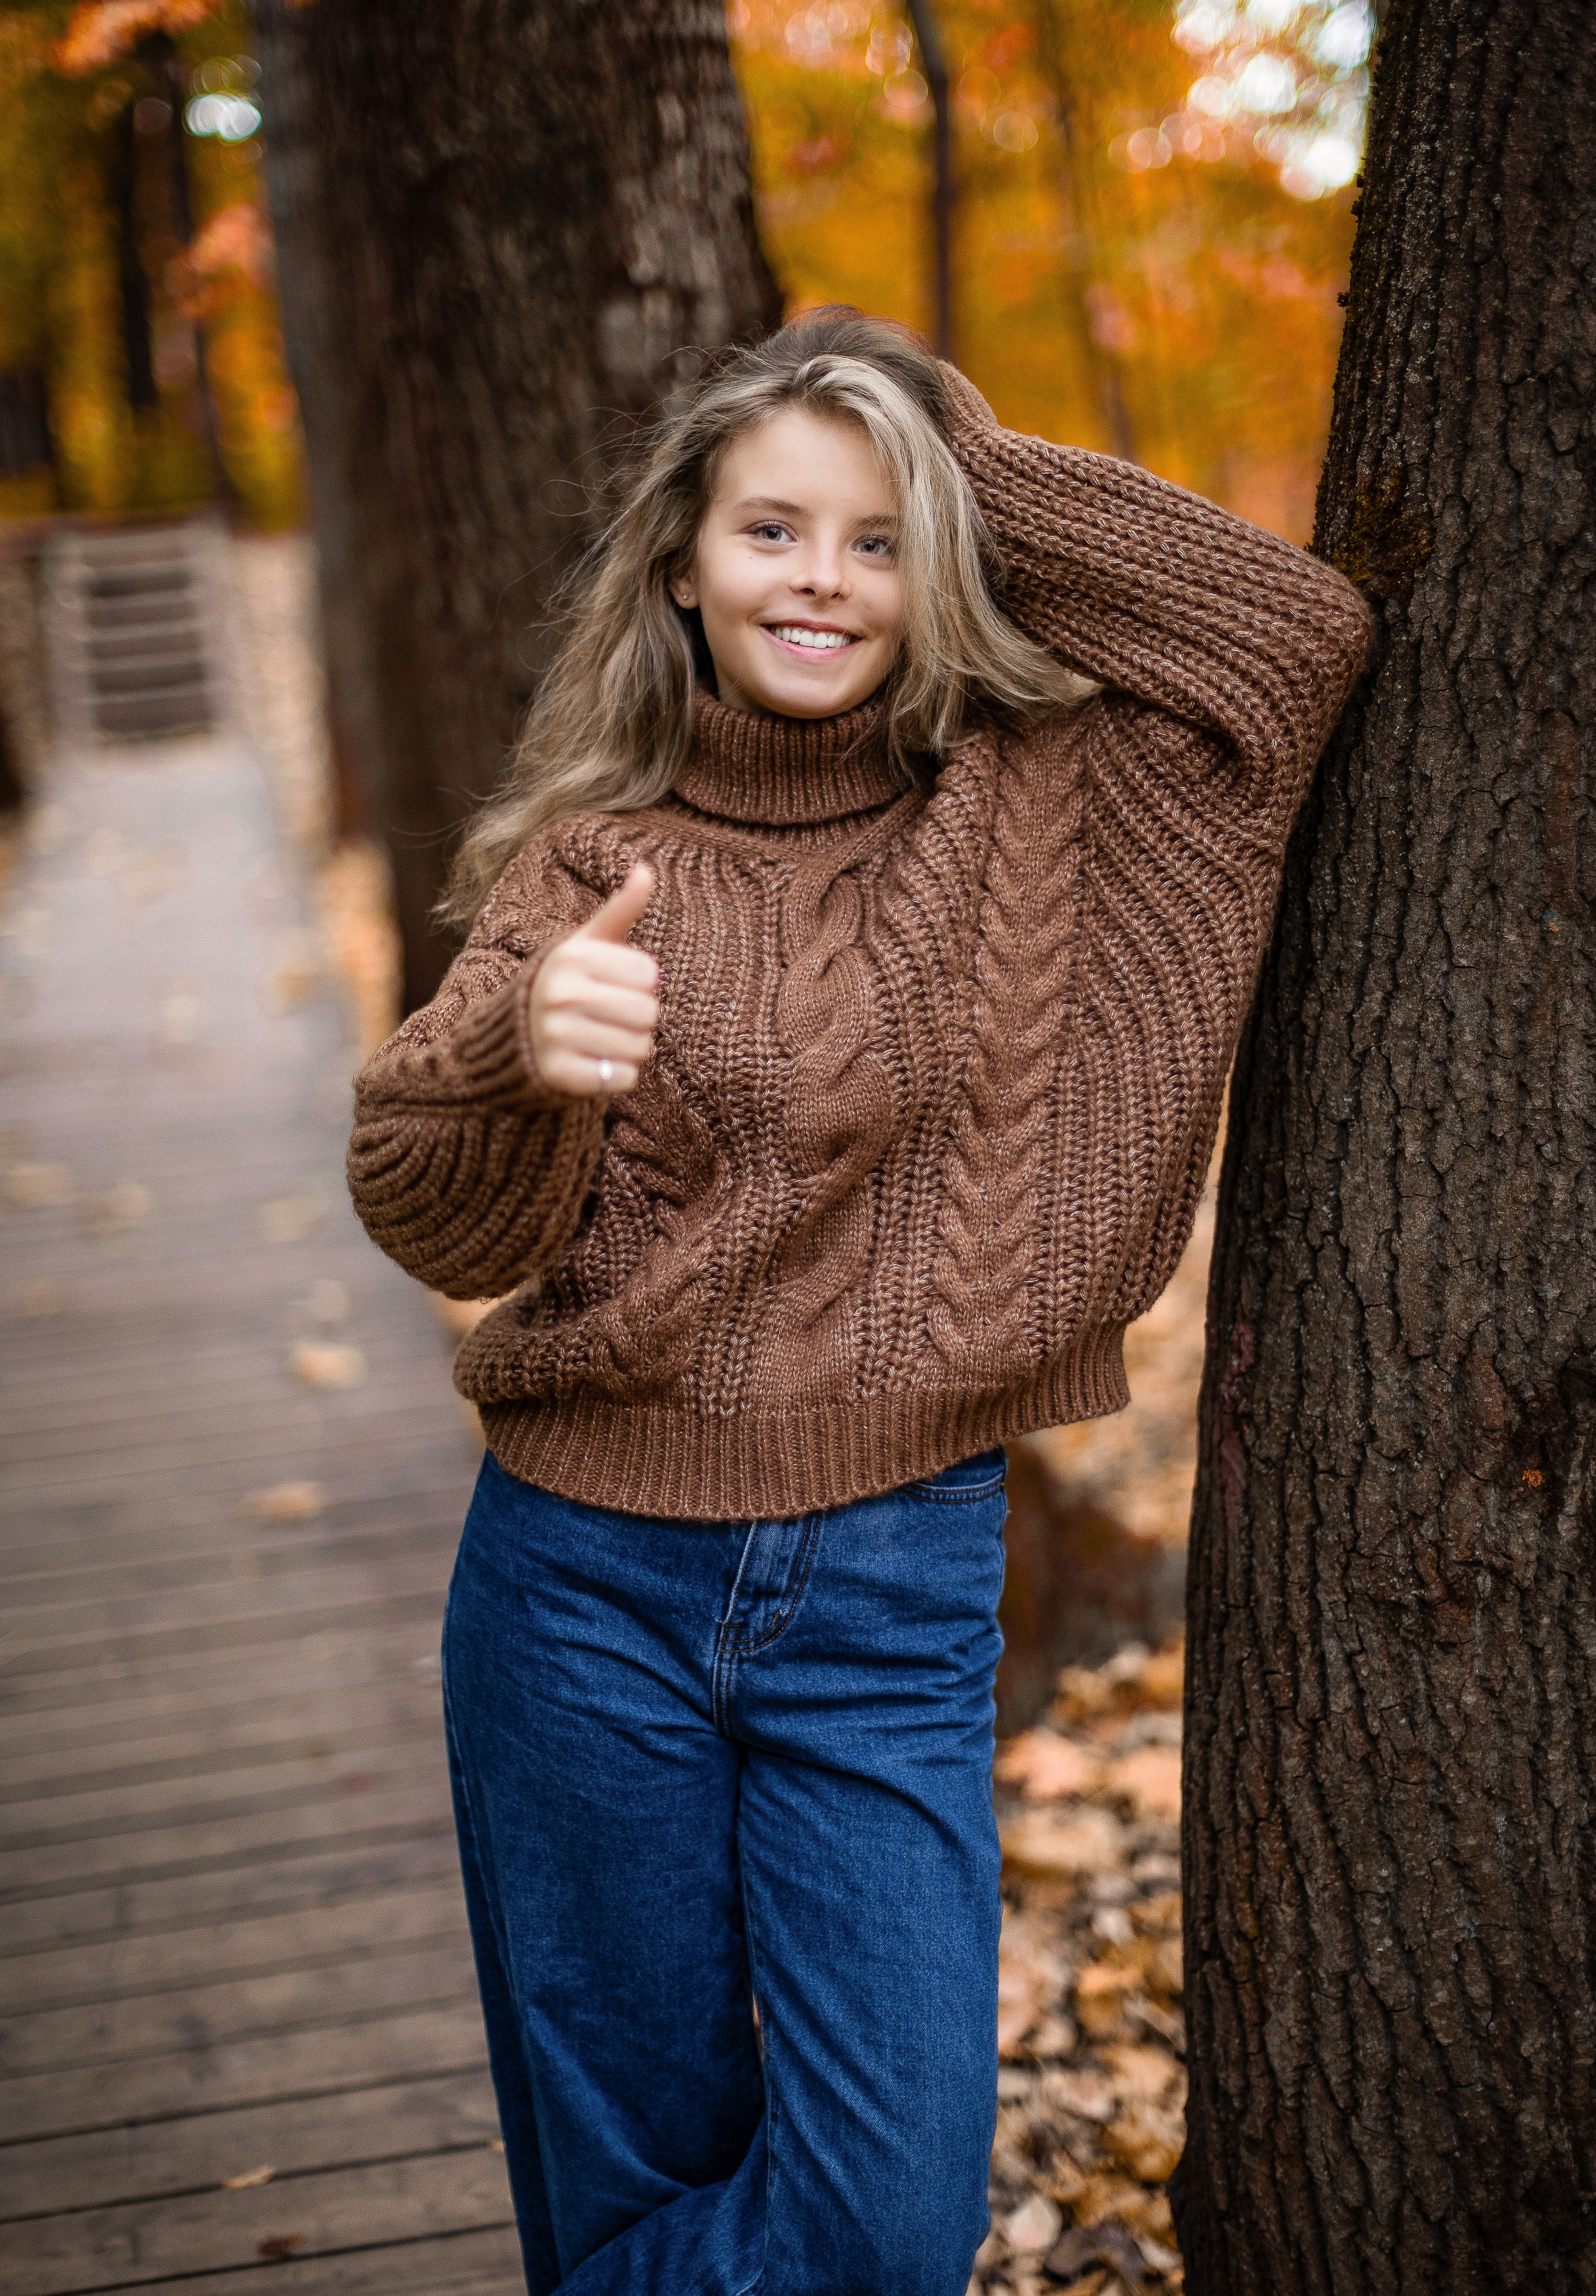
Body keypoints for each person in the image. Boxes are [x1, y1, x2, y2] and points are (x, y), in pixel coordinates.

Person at [347, 308, 1369, 2295]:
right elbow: (431, 1218)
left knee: (887, 2227)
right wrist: (519, 1062)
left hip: (889, 1588)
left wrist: (928, 440)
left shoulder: (1049, 811)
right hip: (579, 1589)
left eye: (873, 541)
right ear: (681, 562)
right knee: (635, 2173)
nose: (819, 578)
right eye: (769, 531)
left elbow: (1287, 640)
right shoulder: (594, 863)